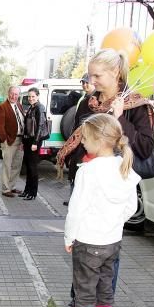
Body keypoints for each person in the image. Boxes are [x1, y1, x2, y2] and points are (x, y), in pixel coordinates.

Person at [58, 48, 154, 307]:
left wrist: (120, 116)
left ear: (115, 73)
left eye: (97, 75)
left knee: (106, 252)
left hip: (112, 189)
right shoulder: (86, 103)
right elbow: (77, 137)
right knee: (81, 247)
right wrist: (74, 168)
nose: (93, 80)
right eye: (91, 75)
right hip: (86, 181)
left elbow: (145, 148)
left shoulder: (137, 105)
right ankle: (78, 299)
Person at [61, 113, 140, 307]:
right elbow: (130, 207)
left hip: (88, 241)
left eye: (85, 138)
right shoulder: (124, 166)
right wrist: (113, 223)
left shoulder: (89, 171)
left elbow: (76, 210)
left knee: (84, 293)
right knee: (105, 290)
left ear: (99, 140)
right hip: (112, 241)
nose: (82, 142)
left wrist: (68, 236)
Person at [63, 74, 96, 207]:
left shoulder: (100, 101)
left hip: (91, 147)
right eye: (83, 82)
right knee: (74, 174)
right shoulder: (83, 100)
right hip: (79, 143)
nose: (84, 85)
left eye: (87, 82)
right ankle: (73, 201)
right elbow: (77, 123)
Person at [0, 86, 25, 198]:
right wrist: (4, 140)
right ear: (8, 93)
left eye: (16, 94)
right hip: (9, 141)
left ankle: (12, 186)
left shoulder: (19, 106)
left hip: (20, 140)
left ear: (19, 95)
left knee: (17, 165)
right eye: (12, 93)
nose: (14, 96)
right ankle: (5, 189)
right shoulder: (2, 107)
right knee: (7, 165)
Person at [20, 87, 48, 200]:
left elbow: (40, 126)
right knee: (28, 166)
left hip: (34, 141)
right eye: (29, 96)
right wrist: (24, 141)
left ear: (38, 96)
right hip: (28, 141)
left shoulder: (40, 108)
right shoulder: (32, 108)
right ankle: (27, 190)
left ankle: (33, 192)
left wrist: (35, 142)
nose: (31, 98)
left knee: (33, 167)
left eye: (33, 96)